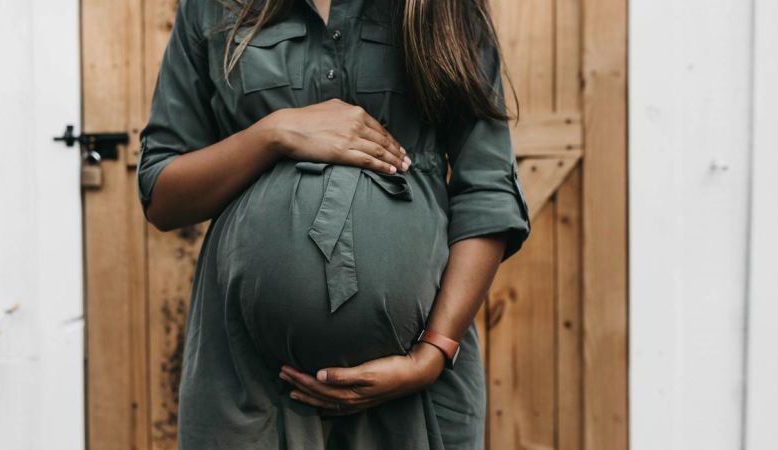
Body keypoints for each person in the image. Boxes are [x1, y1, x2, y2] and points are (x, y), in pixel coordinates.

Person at [136, 0, 531, 447]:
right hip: (249, 390)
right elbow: (162, 195)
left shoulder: (444, 7)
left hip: (415, 393)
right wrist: (274, 133)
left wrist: (433, 353)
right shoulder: (212, 8)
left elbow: (488, 190)